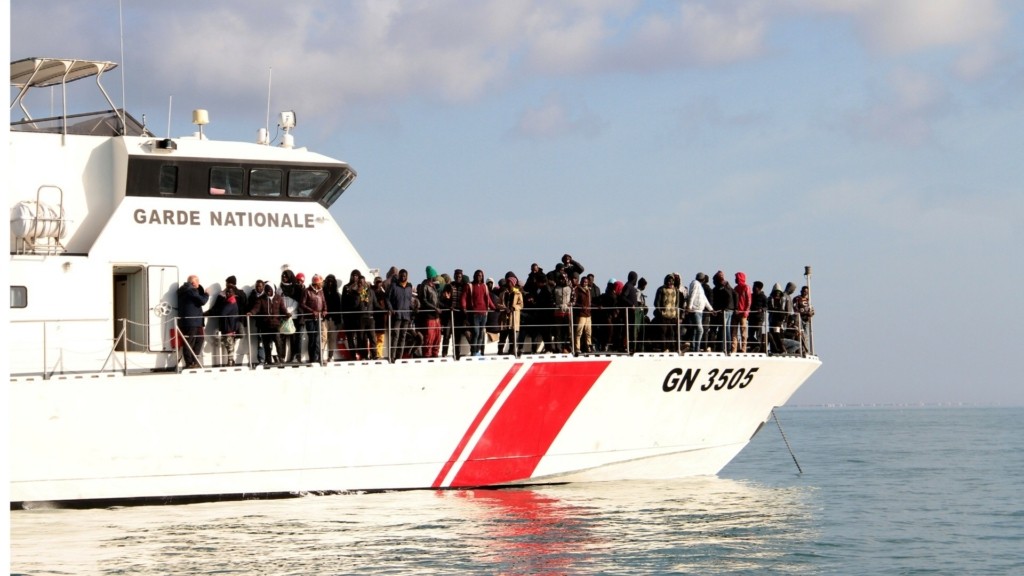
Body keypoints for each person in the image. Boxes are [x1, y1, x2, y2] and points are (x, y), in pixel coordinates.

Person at [249, 284, 288, 364]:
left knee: (278, 342)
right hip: (265, 324)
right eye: (266, 291)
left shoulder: (278, 298)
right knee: (266, 344)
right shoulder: (261, 299)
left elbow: (282, 309)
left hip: (275, 324)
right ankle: (268, 360)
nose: (268, 292)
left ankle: (281, 358)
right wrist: (251, 312)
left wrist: (287, 313)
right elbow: (256, 308)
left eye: (270, 290)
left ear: (273, 290)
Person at [178, 275, 210, 369]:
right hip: (193, 321)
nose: (198, 284)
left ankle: (193, 361)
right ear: (193, 283)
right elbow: (202, 301)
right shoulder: (190, 290)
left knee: (198, 340)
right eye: (197, 282)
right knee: (190, 342)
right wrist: (207, 294)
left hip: (193, 321)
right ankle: (190, 363)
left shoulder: (184, 290)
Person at [462, 269, 496, 356]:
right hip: (474, 313)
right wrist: (464, 307)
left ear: (482, 277)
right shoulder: (469, 286)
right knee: (476, 332)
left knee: (481, 333)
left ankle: (477, 351)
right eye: (477, 275)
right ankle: (473, 351)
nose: (479, 277)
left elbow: (488, 299)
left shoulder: (484, 286)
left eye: (480, 275)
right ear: (474, 276)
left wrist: (494, 308)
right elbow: (464, 297)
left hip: (484, 313)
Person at [386, 269, 414, 361]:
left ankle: (399, 356)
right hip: (397, 315)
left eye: (404, 276)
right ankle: (393, 356)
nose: (403, 277)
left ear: (407, 276)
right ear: (399, 276)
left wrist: (414, 308)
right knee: (395, 336)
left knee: (403, 336)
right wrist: (391, 308)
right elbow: (387, 298)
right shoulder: (393, 286)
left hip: (406, 315)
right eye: (401, 276)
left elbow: (409, 300)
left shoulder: (409, 287)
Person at [300, 274, 327, 364]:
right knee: (312, 338)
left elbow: (323, 302)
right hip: (310, 318)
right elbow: (302, 304)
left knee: (318, 338)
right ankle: (312, 358)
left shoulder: (321, 291)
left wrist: (325, 310)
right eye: (320, 282)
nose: (322, 284)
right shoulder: (307, 291)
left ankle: (318, 357)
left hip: (319, 318)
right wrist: (312, 311)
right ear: (316, 283)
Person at [686, 273, 714, 352]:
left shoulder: (699, 286)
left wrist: (711, 309)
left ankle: (694, 347)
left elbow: (704, 299)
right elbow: (692, 295)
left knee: (695, 329)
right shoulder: (696, 284)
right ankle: (696, 348)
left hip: (699, 310)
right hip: (695, 310)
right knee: (700, 330)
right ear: (703, 279)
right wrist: (689, 306)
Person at [653, 274, 679, 352]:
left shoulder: (676, 290)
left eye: (671, 281)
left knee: (671, 333)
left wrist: (677, 314)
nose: (669, 282)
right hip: (663, 316)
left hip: (672, 316)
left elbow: (677, 303)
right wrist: (660, 312)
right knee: (663, 332)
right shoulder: (661, 289)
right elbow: (656, 302)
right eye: (668, 281)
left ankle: (672, 349)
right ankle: (664, 349)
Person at [711, 271, 736, 353]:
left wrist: (724, 307)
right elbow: (736, 294)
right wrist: (735, 307)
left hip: (726, 310)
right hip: (730, 309)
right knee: (727, 328)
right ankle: (727, 347)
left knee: (725, 329)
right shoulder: (728, 285)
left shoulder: (722, 287)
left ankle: (725, 347)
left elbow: (728, 296)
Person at [419, 266, 442, 358]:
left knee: (437, 337)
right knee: (429, 337)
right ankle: (427, 355)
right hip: (429, 315)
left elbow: (437, 300)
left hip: (436, 316)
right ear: (432, 276)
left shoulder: (433, 286)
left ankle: (435, 354)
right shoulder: (425, 286)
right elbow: (423, 300)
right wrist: (434, 308)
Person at [245, 279, 267, 365]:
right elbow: (251, 307)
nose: (258, 288)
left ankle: (269, 358)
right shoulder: (252, 296)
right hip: (259, 322)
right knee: (261, 340)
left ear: (263, 287)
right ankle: (261, 359)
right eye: (257, 286)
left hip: (269, 322)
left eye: (260, 286)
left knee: (269, 341)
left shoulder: (267, 296)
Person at [323, 274, 342, 362]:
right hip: (324, 318)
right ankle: (321, 355)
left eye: (331, 282)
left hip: (334, 319)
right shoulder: (322, 292)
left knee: (332, 339)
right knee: (323, 337)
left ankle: (330, 356)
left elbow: (339, 308)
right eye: (328, 281)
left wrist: (338, 321)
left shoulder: (336, 294)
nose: (330, 284)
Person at [573, 274, 593, 354]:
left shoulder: (588, 291)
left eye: (586, 282)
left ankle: (589, 347)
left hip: (588, 314)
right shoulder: (577, 290)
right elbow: (575, 302)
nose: (585, 283)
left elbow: (589, 303)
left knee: (588, 332)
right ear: (581, 282)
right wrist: (582, 307)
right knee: (579, 332)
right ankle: (577, 348)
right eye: (584, 282)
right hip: (581, 314)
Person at [732, 272, 751, 353]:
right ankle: (734, 349)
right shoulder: (736, 288)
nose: (735, 279)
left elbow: (749, 300)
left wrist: (746, 311)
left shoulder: (746, 287)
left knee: (743, 332)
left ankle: (743, 349)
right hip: (736, 313)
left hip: (743, 313)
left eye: (736, 277)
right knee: (734, 332)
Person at [747, 281, 768, 353]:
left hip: (759, 318)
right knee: (750, 335)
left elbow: (766, 307)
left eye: (754, 287)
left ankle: (759, 347)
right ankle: (755, 346)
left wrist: (762, 309)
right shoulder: (751, 296)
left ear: (759, 288)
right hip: (751, 317)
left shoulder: (763, 297)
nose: (753, 288)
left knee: (758, 334)